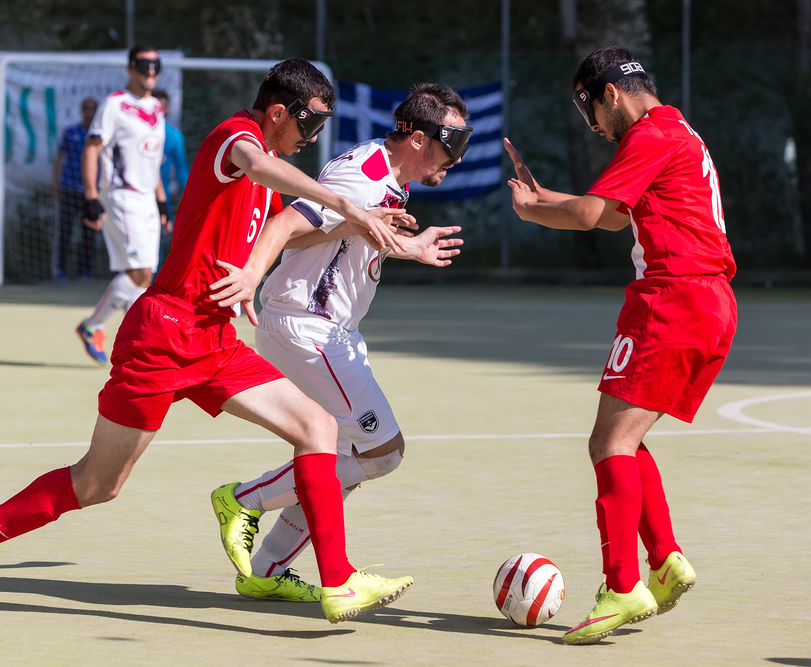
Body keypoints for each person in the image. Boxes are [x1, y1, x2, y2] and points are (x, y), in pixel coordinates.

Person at [0, 58, 415, 627]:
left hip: (213, 338)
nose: (314, 138)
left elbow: (286, 230)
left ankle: (338, 580)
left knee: (318, 427)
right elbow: (255, 164)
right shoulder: (238, 139)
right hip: (161, 334)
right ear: (279, 112)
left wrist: (367, 229)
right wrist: (348, 203)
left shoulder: (271, 164)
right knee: (97, 485)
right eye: (310, 125)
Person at [505, 46, 737, 645]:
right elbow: (612, 216)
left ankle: (623, 585)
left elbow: (588, 216)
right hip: (708, 303)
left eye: (589, 112)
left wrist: (536, 213)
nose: (592, 127)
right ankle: (664, 561)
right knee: (626, 441)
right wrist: (546, 199)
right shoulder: (677, 129)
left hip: (671, 299)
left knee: (607, 442)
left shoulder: (649, 135)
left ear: (610, 94)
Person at [206, 83, 469, 602]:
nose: (457, 158)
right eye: (452, 144)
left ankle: (267, 568)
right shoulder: (365, 173)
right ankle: (244, 500)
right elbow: (285, 225)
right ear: (417, 138)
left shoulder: (388, 175)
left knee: (345, 452)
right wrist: (251, 278)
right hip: (308, 325)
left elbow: (336, 236)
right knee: (382, 451)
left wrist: (405, 246)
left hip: (330, 330)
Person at [75, 45, 170, 365]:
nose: (151, 71)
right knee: (141, 271)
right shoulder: (114, 104)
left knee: (146, 275)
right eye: (144, 65)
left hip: (146, 198)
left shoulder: (157, 108)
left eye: (156, 65)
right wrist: (90, 196)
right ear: (130, 69)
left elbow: (152, 158)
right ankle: (93, 325)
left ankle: (136, 343)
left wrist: (161, 201)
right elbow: (92, 149)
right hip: (119, 194)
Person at [52, 97, 98, 281]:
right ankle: (60, 270)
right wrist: (56, 184)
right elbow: (58, 158)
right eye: (86, 109)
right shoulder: (70, 132)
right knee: (65, 231)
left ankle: (85, 271)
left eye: (93, 109)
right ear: (81, 111)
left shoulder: (100, 135)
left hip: (91, 192)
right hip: (69, 188)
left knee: (89, 232)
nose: (89, 113)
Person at [152, 88, 189, 270]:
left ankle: (151, 282)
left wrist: (191, 196)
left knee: (156, 239)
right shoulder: (135, 131)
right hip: (135, 195)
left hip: (161, 197)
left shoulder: (173, 136)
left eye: (162, 106)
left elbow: (181, 169)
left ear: (167, 108)